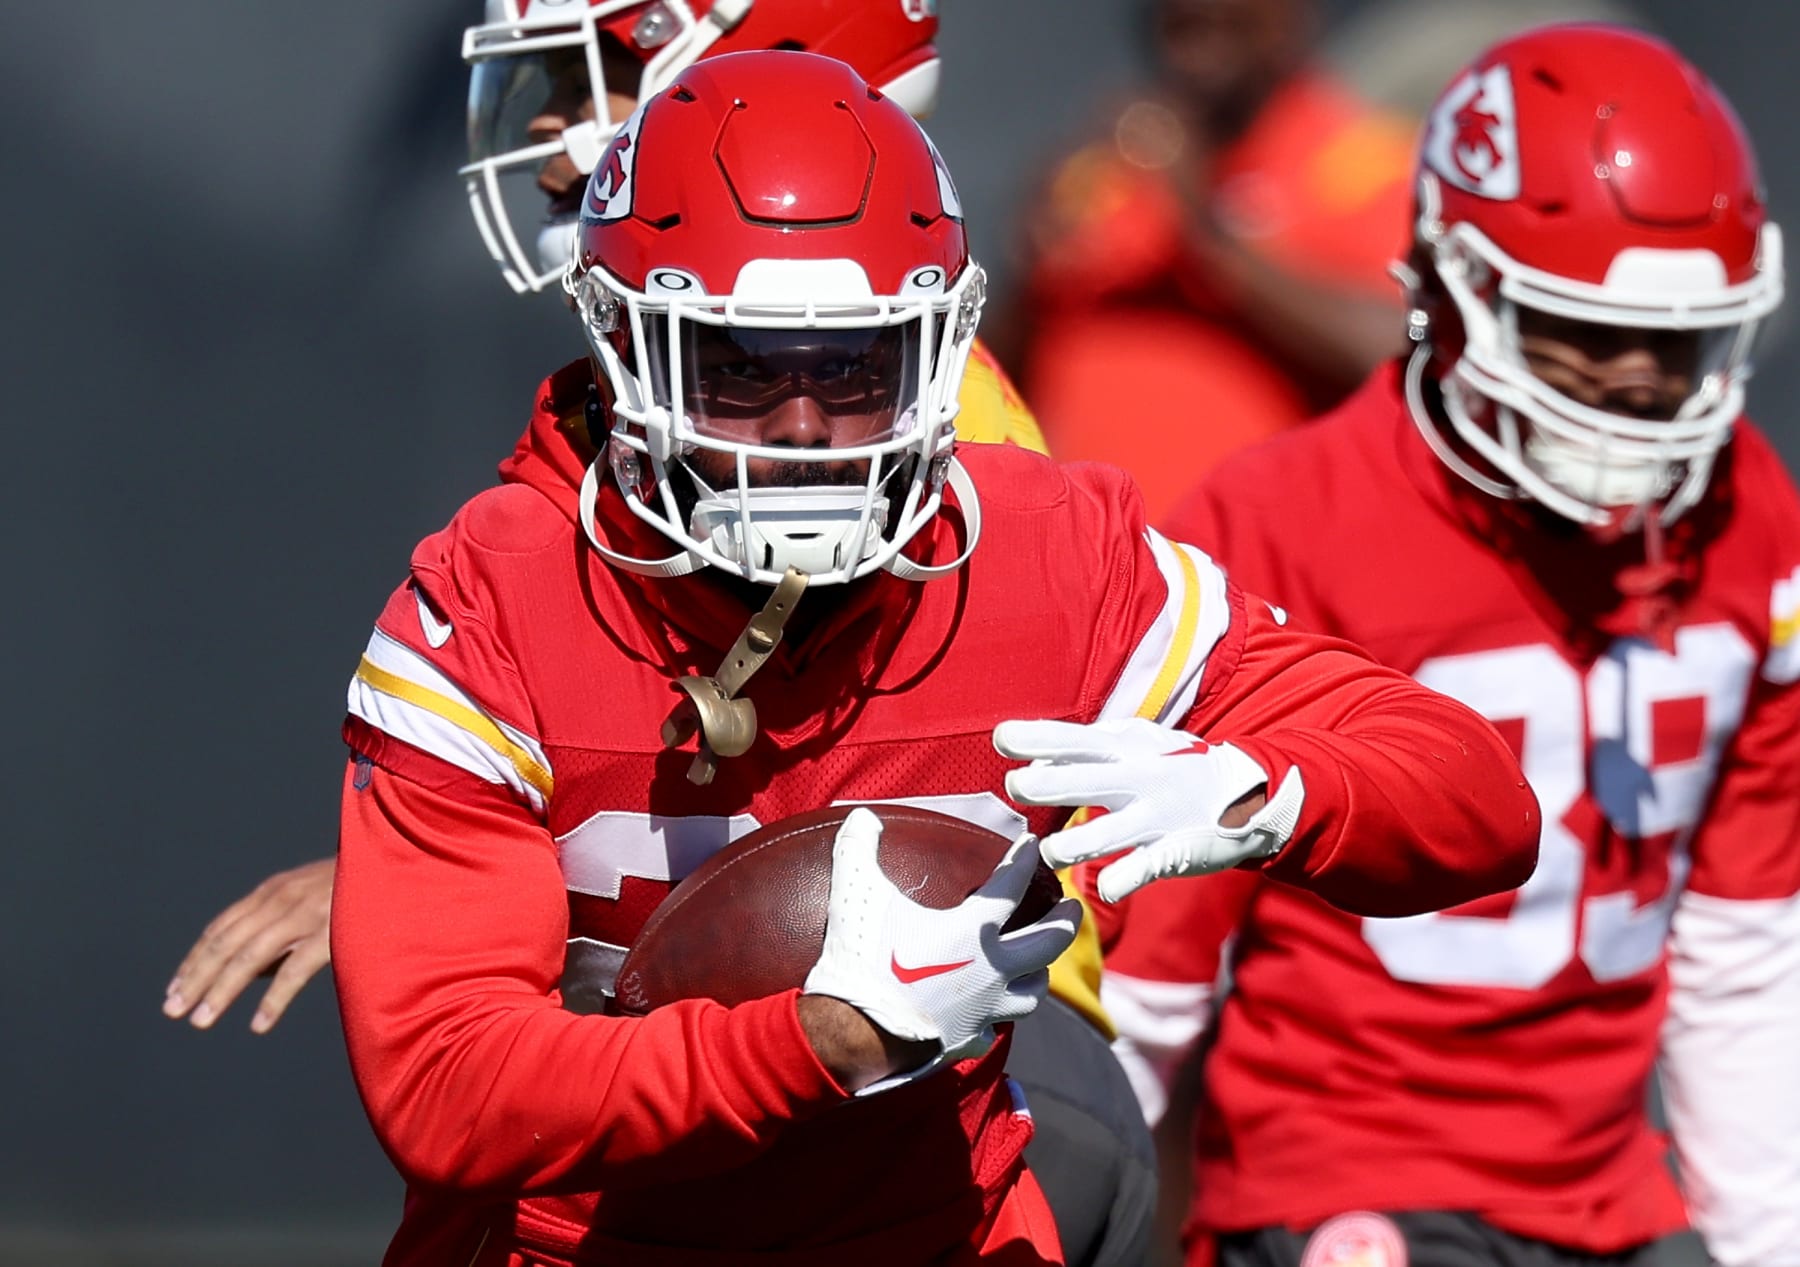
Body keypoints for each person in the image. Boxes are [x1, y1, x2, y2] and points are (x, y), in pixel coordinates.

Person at [331, 50, 1539, 1266]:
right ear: (626, 350)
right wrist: (819, 1039)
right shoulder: (493, 599)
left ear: (937, 352)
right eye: (741, 365)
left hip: (933, 1230)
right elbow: (446, 1086)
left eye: (853, 365)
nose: (801, 428)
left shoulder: (1046, 558)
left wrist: (1269, 789)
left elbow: (1475, 797)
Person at [164, 8, 1140, 1261]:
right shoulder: (727, 415)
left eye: (614, 80)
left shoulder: (913, 461)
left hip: (976, 1054)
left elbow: (828, 773)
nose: (563, 143)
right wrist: (467, 863)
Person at [1105, 23, 1800, 1267]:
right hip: (1349, 1173)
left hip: (1614, 1183)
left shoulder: (1750, 517)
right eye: (1579, 331)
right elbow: (1156, 964)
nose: (1643, 386)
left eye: (1684, 343)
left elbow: (1744, 942)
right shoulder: (1278, 520)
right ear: (1450, 285)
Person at [996, 0, 1415, 519]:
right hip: (1079, 565)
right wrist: (1022, 271)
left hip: (1254, 577)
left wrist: (1208, 235)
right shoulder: (1105, 169)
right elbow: (998, 382)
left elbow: (1402, 354)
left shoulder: (1364, 163)